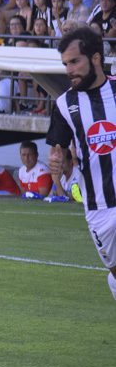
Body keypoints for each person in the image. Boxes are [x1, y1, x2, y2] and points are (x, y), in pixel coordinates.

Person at [48, 26, 116, 299]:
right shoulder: (65, 104)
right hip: (98, 207)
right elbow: (58, 152)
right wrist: (56, 167)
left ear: (96, 58)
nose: (68, 70)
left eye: (75, 61)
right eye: (65, 64)